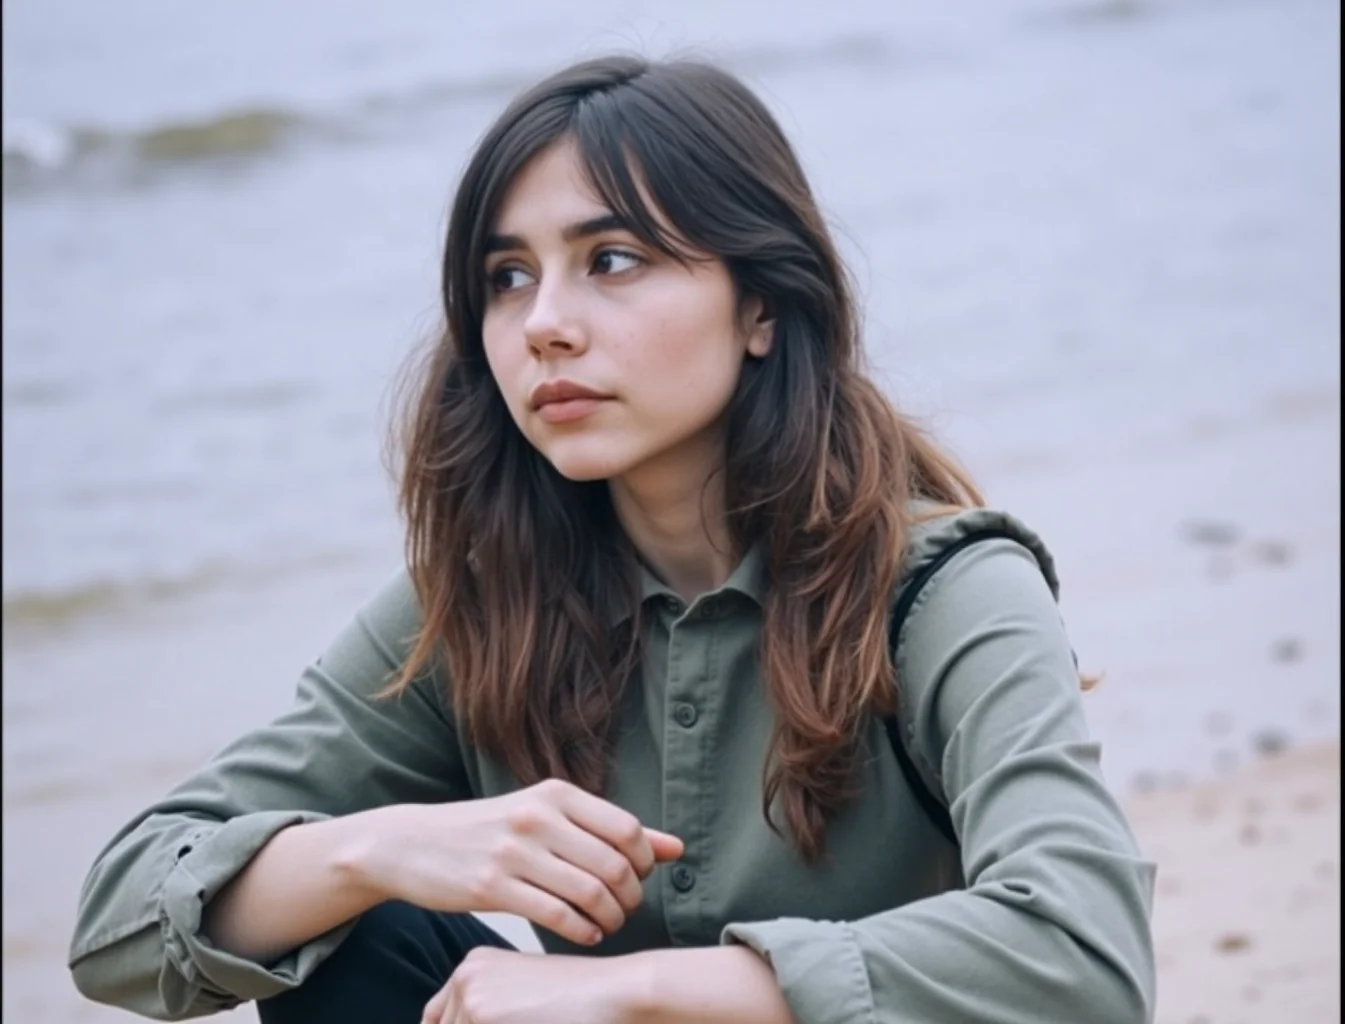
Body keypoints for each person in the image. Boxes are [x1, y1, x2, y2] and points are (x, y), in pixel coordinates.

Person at [68, 55, 1156, 1024]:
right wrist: (378, 847)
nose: (544, 321)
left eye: (614, 258)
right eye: (507, 277)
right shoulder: (480, 606)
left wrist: (630, 989)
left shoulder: (943, 587)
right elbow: (118, 921)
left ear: (761, 306)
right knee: (359, 936)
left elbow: (1084, 954)